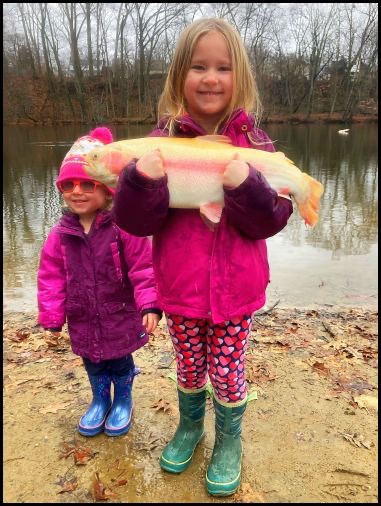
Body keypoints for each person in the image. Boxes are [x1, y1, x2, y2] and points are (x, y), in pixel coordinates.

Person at [112, 18, 293, 495]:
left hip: (238, 291)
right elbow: (136, 222)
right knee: (190, 367)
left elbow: (270, 220)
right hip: (181, 290)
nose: (210, 78)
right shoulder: (159, 140)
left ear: (240, 79)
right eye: (197, 67)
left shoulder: (257, 145)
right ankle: (191, 427)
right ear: (179, 77)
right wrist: (139, 182)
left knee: (229, 372)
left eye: (222, 67)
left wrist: (247, 186)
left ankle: (229, 440)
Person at [37, 127, 161, 438]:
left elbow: (144, 268)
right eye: (68, 184)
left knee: (119, 360)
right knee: (92, 361)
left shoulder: (124, 226)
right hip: (82, 315)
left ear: (107, 189)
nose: (76, 192)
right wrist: (52, 319)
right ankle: (99, 399)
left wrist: (150, 305)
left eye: (87, 184)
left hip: (119, 313)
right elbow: (50, 279)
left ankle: (122, 400)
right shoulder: (59, 235)